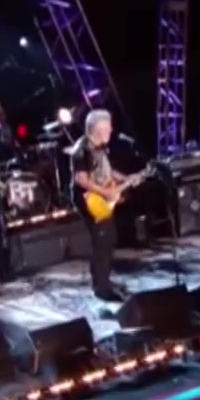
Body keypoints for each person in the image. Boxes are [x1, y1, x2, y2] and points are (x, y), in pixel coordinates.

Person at [70, 109, 139, 302]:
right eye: (108, 126)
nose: (111, 129)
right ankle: (102, 288)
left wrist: (127, 178)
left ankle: (102, 281)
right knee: (103, 239)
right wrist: (106, 193)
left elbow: (107, 171)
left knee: (107, 238)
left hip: (99, 196)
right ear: (98, 128)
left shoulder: (99, 147)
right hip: (88, 200)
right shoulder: (81, 150)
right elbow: (82, 180)